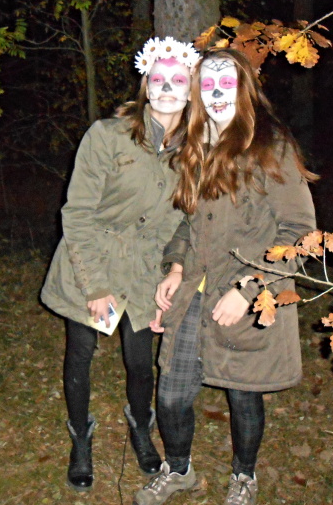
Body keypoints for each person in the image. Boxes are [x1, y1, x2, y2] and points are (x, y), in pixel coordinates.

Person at [133, 48, 318, 505]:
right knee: (172, 394)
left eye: (228, 84)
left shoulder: (272, 147)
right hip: (195, 288)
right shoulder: (194, 148)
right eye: (209, 85)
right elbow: (187, 221)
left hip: (248, 291)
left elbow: (301, 235)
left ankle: (244, 476)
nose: (217, 94)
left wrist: (247, 288)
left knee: (243, 395)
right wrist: (176, 266)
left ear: (246, 89)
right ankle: (178, 470)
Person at [41, 37, 200, 492]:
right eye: (158, 78)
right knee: (82, 353)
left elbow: (188, 222)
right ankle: (81, 439)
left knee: (139, 361)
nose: (166, 87)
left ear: (190, 90)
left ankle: (140, 429)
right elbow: (78, 212)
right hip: (91, 261)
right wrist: (94, 287)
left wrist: (174, 269)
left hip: (146, 271)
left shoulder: (195, 151)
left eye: (177, 80)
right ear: (145, 84)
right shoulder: (108, 135)